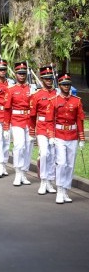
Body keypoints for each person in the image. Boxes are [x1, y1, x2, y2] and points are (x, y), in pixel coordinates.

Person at [46, 74, 85, 204]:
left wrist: (82, 138)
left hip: (73, 136)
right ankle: (60, 189)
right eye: (63, 84)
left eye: (68, 84)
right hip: (59, 135)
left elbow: (79, 120)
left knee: (70, 165)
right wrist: (51, 136)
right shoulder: (54, 100)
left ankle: (66, 190)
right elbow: (49, 121)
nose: (66, 86)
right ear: (59, 85)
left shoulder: (77, 101)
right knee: (61, 163)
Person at [3, 62, 34, 187]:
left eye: (23, 73)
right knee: (19, 146)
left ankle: (24, 173)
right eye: (19, 73)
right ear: (15, 74)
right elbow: (7, 109)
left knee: (28, 147)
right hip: (16, 120)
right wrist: (6, 127)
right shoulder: (10, 89)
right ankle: (17, 172)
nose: (21, 75)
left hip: (29, 121)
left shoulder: (31, 88)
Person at [30, 66, 58, 189]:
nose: (48, 80)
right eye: (46, 78)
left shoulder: (58, 93)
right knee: (45, 153)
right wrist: (31, 131)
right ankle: (43, 180)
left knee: (53, 155)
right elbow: (32, 115)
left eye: (50, 78)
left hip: (54, 128)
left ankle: (50, 181)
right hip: (41, 127)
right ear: (42, 79)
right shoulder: (37, 95)